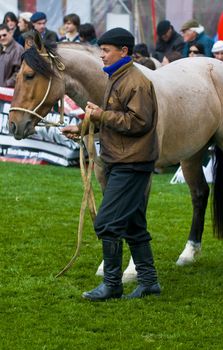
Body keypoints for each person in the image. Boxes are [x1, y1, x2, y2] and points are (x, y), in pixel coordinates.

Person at [62, 27, 161, 301]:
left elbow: (139, 123)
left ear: (124, 51)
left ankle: (112, 284)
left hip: (132, 162)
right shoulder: (117, 78)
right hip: (123, 159)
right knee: (133, 224)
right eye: (101, 49)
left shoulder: (135, 82)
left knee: (107, 222)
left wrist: (101, 115)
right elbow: (113, 119)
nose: (101, 55)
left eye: (105, 50)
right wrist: (82, 128)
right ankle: (149, 282)